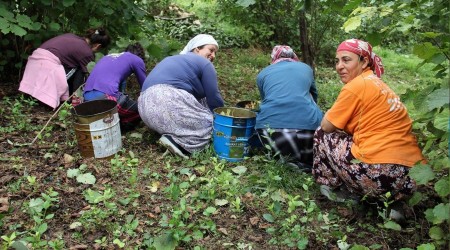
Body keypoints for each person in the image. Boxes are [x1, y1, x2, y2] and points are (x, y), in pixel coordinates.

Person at [313, 39, 425, 219]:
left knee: (323, 134)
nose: (339, 66)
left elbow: (327, 125)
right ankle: (392, 203)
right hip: (413, 176)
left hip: (379, 174)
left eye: (346, 60)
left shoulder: (356, 86)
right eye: (337, 61)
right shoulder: (378, 83)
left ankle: (336, 188)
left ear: (364, 62)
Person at [138, 34, 224, 159]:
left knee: (203, 103)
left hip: (144, 108)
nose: (213, 55)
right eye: (211, 50)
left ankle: (170, 133)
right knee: (212, 126)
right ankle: (179, 144)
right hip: (165, 100)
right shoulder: (204, 64)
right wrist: (223, 118)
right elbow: (214, 97)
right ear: (197, 49)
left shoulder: (175, 60)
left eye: (215, 53)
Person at [253, 45, 323, 171]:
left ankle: (285, 160)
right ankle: (306, 161)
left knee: (261, 115)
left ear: (273, 58)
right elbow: (314, 95)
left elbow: (266, 101)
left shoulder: (263, 74)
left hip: (272, 133)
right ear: (293, 56)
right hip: (308, 132)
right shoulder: (306, 68)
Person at [19, 27, 110, 109]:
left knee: (76, 67)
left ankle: (32, 95)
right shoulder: (86, 52)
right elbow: (90, 76)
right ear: (98, 46)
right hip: (47, 66)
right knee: (81, 70)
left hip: (34, 63)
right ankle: (74, 100)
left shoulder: (71, 36)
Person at [83, 43, 147, 132]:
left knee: (121, 101)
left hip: (86, 100)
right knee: (142, 109)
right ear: (140, 56)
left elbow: (119, 85)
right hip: (106, 99)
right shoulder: (137, 59)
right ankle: (121, 130)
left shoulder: (109, 57)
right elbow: (146, 87)